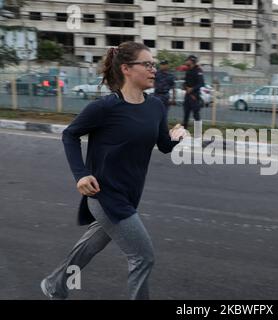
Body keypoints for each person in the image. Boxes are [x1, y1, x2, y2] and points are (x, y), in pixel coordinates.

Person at [40, 41, 187, 300]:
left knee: (90, 246)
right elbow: (70, 135)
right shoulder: (105, 107)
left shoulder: (156, 107)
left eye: (154, 64)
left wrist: (177, 137)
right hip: (105, 193)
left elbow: (163, 145)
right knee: (143, 256)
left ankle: (54, 284)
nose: (154, 69)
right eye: (148, 64)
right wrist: (81, 175)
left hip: (130, 194)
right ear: (127, 69)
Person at [182, 55, 205, 129]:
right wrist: (185, 86)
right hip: (187, 96)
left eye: (187, 60)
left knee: (196, 115)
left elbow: (201, 83)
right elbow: (186, 82)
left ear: (191, 61)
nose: (186, 61)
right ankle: (184, 132)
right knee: (186, 115)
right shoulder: (188, 70)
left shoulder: (198, 71)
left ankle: (198, 133)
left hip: (194, 96)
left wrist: (192, 89)